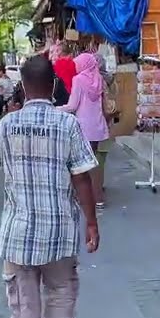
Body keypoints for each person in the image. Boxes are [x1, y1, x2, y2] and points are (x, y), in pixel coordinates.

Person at [0, 55, 101, 318]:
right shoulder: (68, 124)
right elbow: (82, 179)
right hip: (59, 232)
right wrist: (91, 222)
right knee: (61, 294)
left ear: (23, 86)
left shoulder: (7, 125)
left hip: (18, 234)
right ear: (53, 85)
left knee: (24, 308)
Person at [59, 52, 110, 209]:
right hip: (98, 126)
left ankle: (82, 197)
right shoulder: (99, 79)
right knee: (94, 163)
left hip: (83, 127)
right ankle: (98, 198)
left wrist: (55, 109)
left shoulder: (78, 79)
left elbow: (72, 106)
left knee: (80, 165)